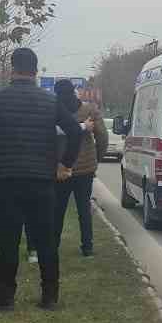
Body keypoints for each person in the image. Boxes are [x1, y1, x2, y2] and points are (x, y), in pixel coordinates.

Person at [0, 47, 82, 311]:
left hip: (7, 179)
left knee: (8, 239)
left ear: (12, 68)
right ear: (36, 71)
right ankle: (49, 296)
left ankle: (5, 297)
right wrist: (65, 164)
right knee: (46, 240)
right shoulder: (50, 101)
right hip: (42, 180)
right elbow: (74, 131)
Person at [51, 79, 109, 258]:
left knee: (58, 209)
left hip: (61, 168)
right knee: (84, 208)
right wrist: (96, 158)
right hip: (85, 169)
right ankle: (87, 246)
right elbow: (102, 137)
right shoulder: (90, 110)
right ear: (74, 91)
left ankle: (54, 245)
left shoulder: (55, 111)